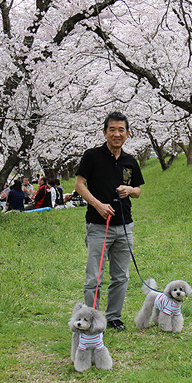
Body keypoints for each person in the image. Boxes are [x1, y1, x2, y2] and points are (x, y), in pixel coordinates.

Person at [74, 111, 145, 331]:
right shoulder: (92, 156)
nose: (116, 134)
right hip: (97, 225)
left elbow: (139, 190)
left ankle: (114, 316)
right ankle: (90, 318)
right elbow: (79, 185)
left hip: (124, 226)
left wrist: (129, 189)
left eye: (121, 130)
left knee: (121, 276)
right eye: (112, 129)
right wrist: (98, 205)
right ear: (104, 132)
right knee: (94, 276)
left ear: (128, 133)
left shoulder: (130, 161)